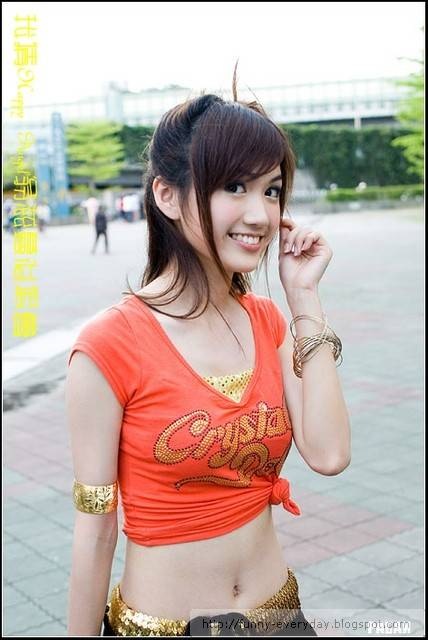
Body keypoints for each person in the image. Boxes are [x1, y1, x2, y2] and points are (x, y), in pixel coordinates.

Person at [66, 66, 351, 637]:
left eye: (271, 190)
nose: (259, 215)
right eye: (234, 187)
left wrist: (303, 298)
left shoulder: (268, 321)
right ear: (167, 195)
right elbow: (96, 529)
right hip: (162, 626)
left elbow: (329, 453)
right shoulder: (108, 346)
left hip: (280, 617)